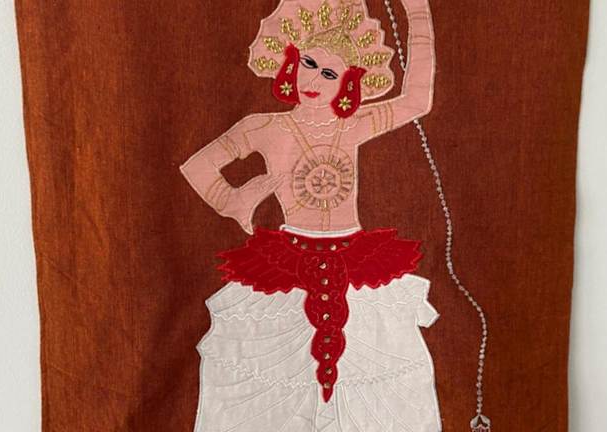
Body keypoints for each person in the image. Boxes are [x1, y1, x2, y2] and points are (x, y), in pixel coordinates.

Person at [180, 0, 441, 430]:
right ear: (290, 62)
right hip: (284, 264)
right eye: (309, 64)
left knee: (380, 384)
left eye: (330, 74)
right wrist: (233, 199)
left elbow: (416, 101)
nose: (314, 80)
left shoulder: (354, 123)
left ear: (350, 82)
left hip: (357, 261)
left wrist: (417, 15)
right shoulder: (263, 127)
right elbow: (198, 166)